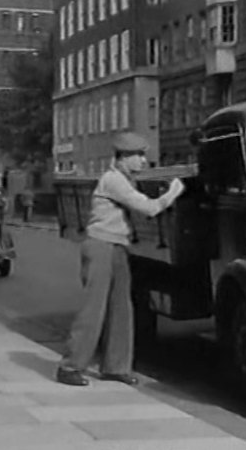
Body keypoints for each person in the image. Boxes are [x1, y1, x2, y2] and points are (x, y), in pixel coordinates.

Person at [57, 132, 185, 387]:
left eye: (143, 155)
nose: (142, 161)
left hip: (117, 247)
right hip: (101, 245)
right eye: (138, 155)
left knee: (121, 308)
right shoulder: (113, 180)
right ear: (123, 157)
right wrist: (174, 191)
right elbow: (149, 208)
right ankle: (70, 366)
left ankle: (116, 367)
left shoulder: (124, 179)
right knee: (94, 308)